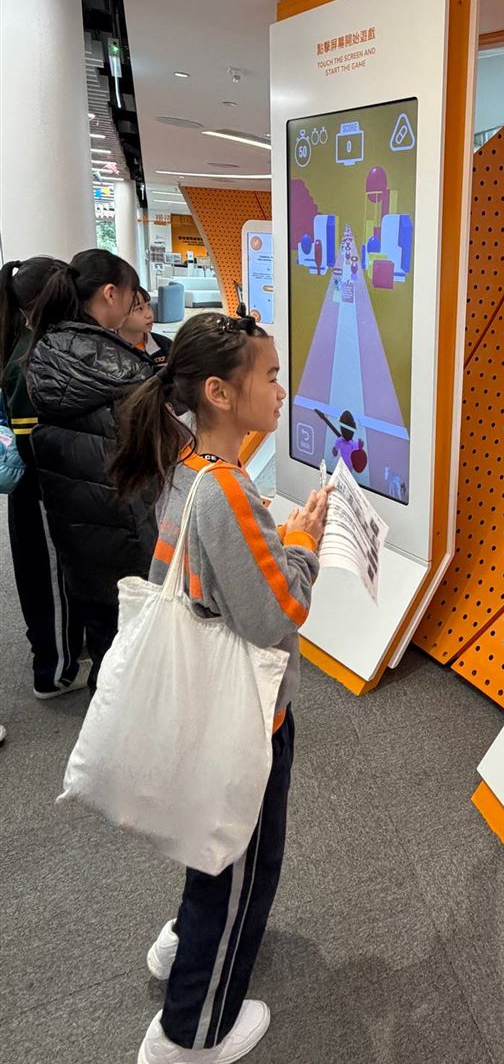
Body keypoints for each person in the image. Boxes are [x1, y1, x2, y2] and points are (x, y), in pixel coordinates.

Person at [110, 312, 329, 1064]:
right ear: (220, 392)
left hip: (204, 707)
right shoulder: (227, 491)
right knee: (241, 866)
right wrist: (302, 543)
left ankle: (184, 946)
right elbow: (275, 614)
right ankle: (191, 1034)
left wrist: (277, 537)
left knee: (213, 845)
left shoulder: (189, 468)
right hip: (246, 720)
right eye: (269, 375)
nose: (280, 389)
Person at [26, 249, 156, 690]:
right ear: (110, 294)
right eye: (133, 298)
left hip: (72, 518)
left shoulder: (45, 349)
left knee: (103, 636)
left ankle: (103, 710)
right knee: (135, 647)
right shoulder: (118, 365)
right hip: (122, 519)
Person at [0, 256, 89, 697]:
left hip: (43, 488)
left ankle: (62, 653)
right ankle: (53, 673)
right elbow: (33, 442)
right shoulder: (30, 358)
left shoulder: (30, 346)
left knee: (53, 578)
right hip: (40, 490)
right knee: (49, 582)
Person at [118, 286, 172, 368]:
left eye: (148, 306)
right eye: (139, 309)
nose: (149, 314)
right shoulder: (105, 350)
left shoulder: (166, 346)